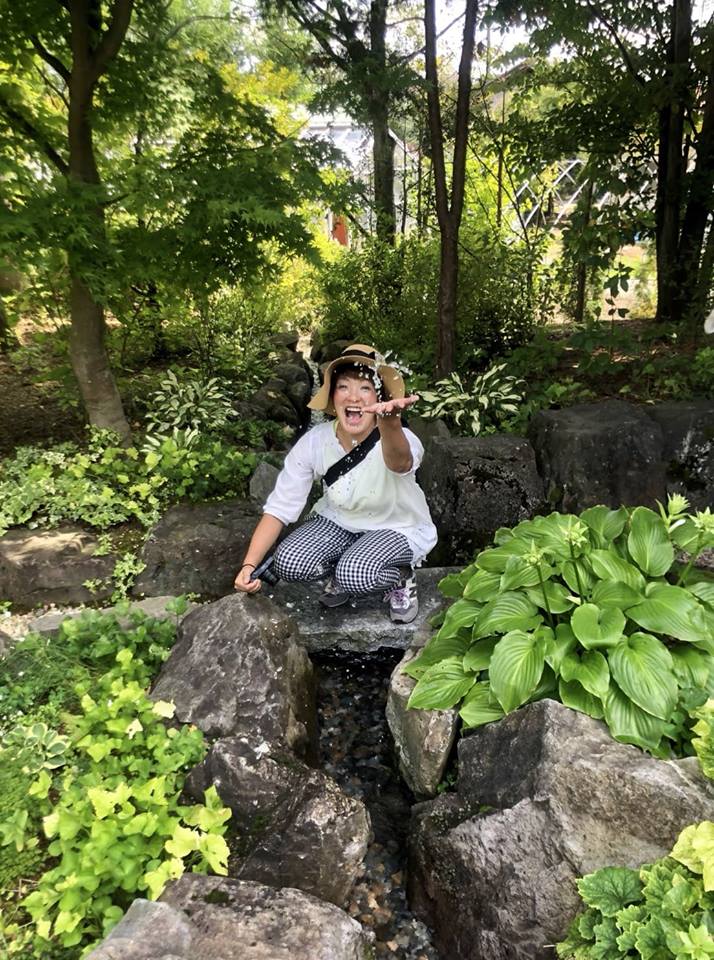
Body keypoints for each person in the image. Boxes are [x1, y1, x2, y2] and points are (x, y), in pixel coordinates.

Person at [233, 344, 437, 623]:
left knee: (355, 574)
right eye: (343, 387)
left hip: (396, 526)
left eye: (365, 388)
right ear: (332, 396)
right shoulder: (315, 441)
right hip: (340, 521)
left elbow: (400, 463)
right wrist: (249, 564)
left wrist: (390, 424)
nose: (353, 396)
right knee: (288, 562)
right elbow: (280, 507)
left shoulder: (402, 438)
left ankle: (399, 576)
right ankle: (348, 568)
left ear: (379, 396)